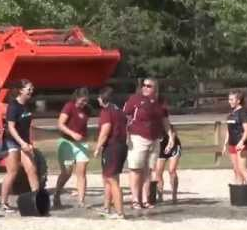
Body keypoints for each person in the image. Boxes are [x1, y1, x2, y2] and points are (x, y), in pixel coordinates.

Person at [123, 78, 176, 210]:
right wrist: (126, 135)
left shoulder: (160, 103)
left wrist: (170, 136)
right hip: (138, 137)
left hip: (154, 139)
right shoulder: (135, 99)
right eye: (144, 85)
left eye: (149, 86)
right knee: (136, 169)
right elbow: (125, 116)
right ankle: (135, 200)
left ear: (155, 89)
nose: (145, 88)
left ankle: (145, 199)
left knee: (148, 170)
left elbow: (165, 120)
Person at [0, 79, 40, 213]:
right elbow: (11, 128)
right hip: (12, 141)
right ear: (21, 90)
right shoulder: (13, 106)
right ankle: (3, 203)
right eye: (29, 89)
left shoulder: (27, 105)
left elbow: (27, 127)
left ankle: (37, 200)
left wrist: (28, 143)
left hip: (24, 142)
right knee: (13, 171)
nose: (31, 91)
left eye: (32, 89)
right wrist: (22, 143)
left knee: (32, 170)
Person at [53, 88, 91, 208]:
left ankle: (81, 200)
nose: (83, 104)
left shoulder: (88, 110)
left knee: (82, 172)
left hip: (82, 143)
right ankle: (57, 194)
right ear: (77, 97)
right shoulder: (69, 106)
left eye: (86, 101)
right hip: (67, 142)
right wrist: (72, 133)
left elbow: (84, 125)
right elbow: (60, 124)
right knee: (67, 172)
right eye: (82, 101)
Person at [94, 87, 127, 220]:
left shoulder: (106, 111)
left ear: (103, 99)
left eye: (99, 97)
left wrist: (97, 147)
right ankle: (106, 208)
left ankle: (120, 213)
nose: (97, 99)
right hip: (121, 146)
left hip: (112, 147)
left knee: (112, 180)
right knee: (108, 178)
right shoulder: (119, 111)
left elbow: (105, 130)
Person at [222, 90, 247, 185]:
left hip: (242, 144)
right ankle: (240, 191)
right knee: (236, 169)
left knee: (242, 169)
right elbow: (229, 130)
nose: (229, 101)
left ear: (238, 100)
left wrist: (241, 142)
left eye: (232, 99)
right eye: (229, 99)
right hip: (232, 144)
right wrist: (225, 143)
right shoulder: (231, 113)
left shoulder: (243, 112)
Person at [154, 125, 182, 204]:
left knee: (171, 170)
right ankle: (160, 195)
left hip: (174, 147)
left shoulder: (164, 122)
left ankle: (174, 195)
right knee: (158, 172)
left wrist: (171, 140)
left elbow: (173, 131)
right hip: (160, 148)